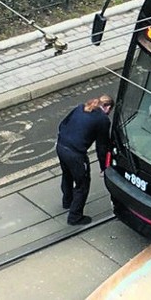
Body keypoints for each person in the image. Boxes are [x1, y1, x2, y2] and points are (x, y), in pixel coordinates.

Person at [56, 94, 114, 225]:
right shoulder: (103, 120)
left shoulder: (80, 107)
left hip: (61, 146)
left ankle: (67, 201)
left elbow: (62, 124)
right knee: (83, 184)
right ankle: (75, 216)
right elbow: (102, 146)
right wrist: (104, 167)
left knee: (67, 174)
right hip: (76, 154)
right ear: (108, 107)